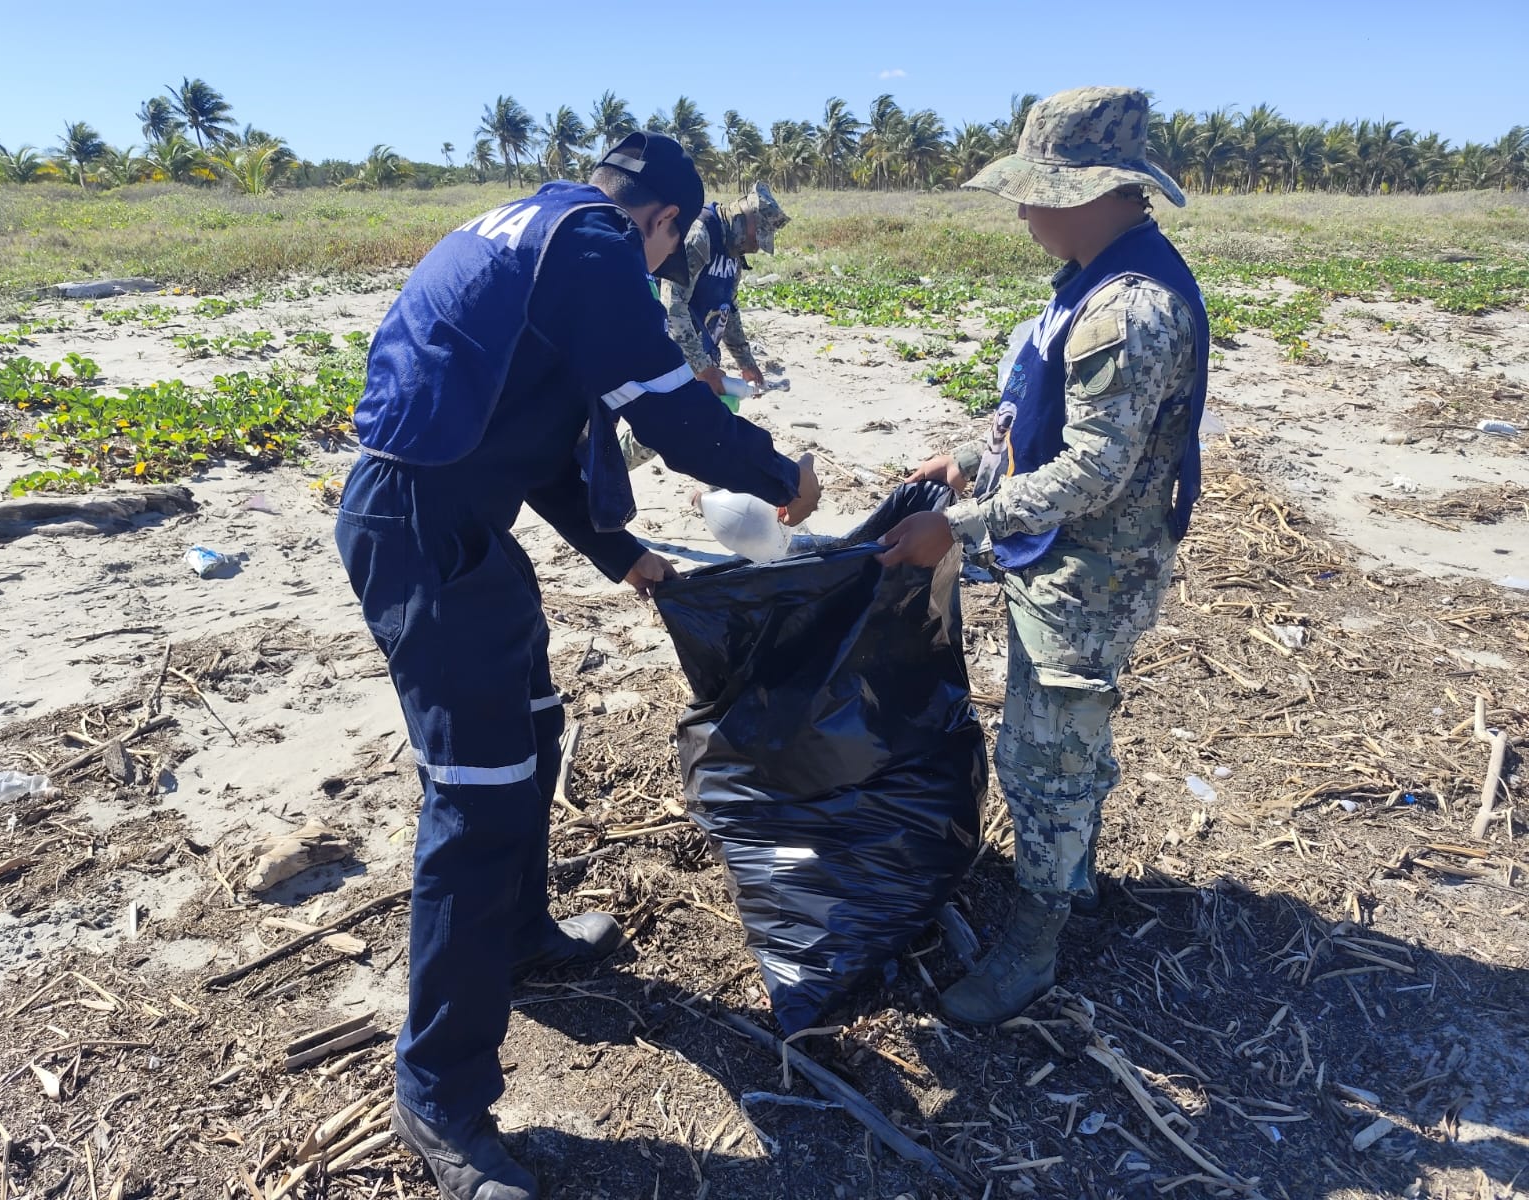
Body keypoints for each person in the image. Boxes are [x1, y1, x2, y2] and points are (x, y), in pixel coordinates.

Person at [336, 132, 821, 1200]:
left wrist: (622, 555)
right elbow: (670, 412)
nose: (664, 268)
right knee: (475, 801)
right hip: (420, 535)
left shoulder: (537, 225)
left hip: (455, 520)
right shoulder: (595, 245)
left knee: (536, 719)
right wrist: (782, 473)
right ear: (661, 223)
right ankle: (438, 1093)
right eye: (671, 249)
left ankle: (515, 934)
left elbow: (546, 434)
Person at [876, 86, 1209, 1027]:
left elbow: (1099, 470)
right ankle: (1074, 879)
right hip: (1064, 558)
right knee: (1068, 737)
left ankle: (1034, 942)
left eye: (1038, 192)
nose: (1024, 211)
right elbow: (1052, 426)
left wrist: (964, 525)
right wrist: (974, 459)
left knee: (1046, 755)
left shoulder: (1128, 309)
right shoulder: (1094, 281)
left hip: (1088, 575)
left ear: (1099, 192)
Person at [660, 180, 789, 397]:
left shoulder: (734, 252)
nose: (756, 247)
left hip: (699, 358)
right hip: (669, 358)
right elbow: (672, 306)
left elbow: (728, 308)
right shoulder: (699, 237)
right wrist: (703, 368)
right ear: (744, 218)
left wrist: (745, 361)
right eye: (757, 237)